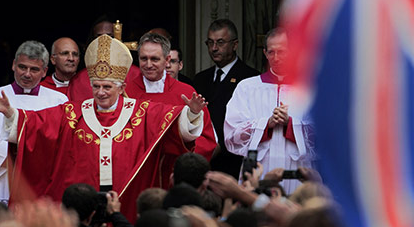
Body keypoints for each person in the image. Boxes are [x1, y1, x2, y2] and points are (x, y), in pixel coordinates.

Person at [0, 34, 209, 221]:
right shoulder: (74, 112)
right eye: (96, 86)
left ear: (121, 88)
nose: (100, 92)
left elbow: (171, 124)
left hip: (126, 198)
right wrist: (11, 114)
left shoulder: (142, 111)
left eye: (107, 87)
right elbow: (38, 125)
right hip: (83, 203)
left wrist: (192, 114)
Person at [0, 40, 68, 205]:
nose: (27, 74)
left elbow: (63, 144)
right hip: (3, 179)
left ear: (45, 71)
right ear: (13, 65)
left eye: (34, 69)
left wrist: (26, 151)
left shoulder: (59, 101)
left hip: (43, 181)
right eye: (22, 67)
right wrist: (29, 152)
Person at [224, 27, 315, 194]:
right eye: (271, 52)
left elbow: (325, 136)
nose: (276, 58)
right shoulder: (247, 87)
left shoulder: (308, 89)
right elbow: (231, 134)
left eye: (282, 52)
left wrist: (291, 124)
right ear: (265, 53)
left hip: (297, 169)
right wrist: (266, 124)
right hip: (259, 168)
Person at [125, 31, 217, 166]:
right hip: (137, 169)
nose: (148, 65)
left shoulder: (186, 92)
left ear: (167, 60)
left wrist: (184, 164)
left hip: (174, 171)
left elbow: (206, 139)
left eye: (154, 59)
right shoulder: (126, 93)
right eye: (144, 59)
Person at [193, 19, 259, 178]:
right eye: (210, 43)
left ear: (235, 44)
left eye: (220, 42)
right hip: (203, 162)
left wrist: (220, 145)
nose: (214, 48)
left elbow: (250, 123)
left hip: (233, 161)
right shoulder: (201, 79)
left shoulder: (250, 79)